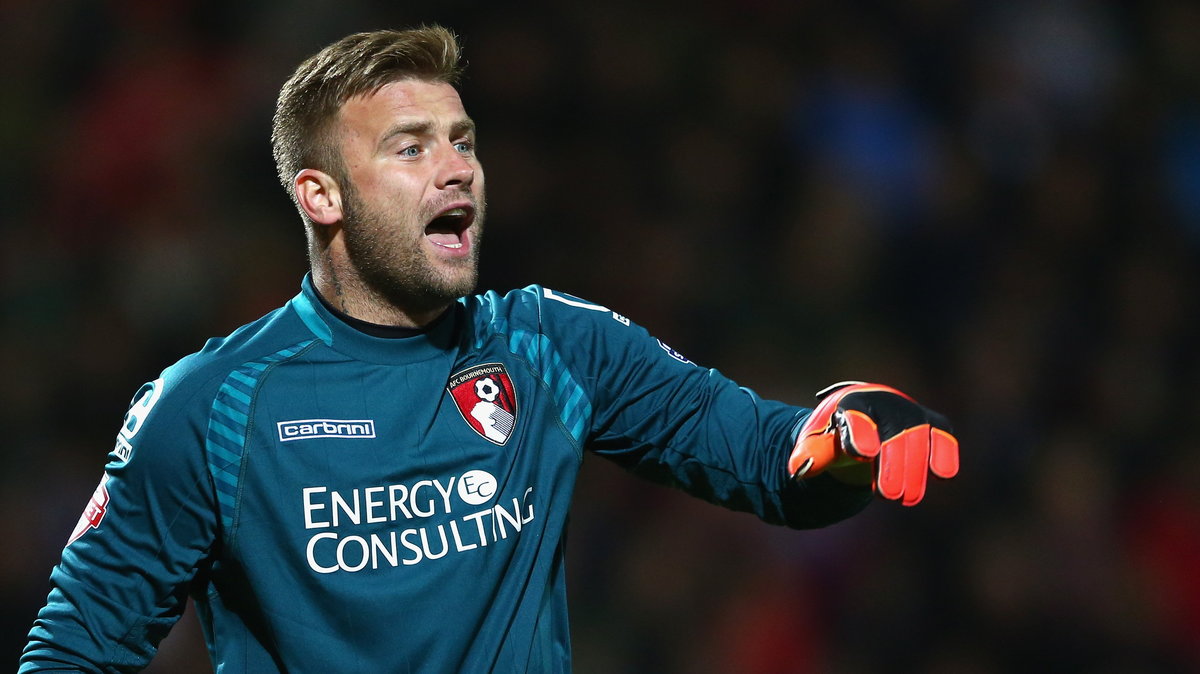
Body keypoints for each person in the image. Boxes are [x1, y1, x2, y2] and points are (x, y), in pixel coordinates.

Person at [20, 25, 959, 673]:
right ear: (321, 197)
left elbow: (768, 458)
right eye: (411, 146)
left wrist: (844, 438)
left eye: (462, 139)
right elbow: (74, 651)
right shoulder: (210, 408)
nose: (456, 165)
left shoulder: (550, 346)